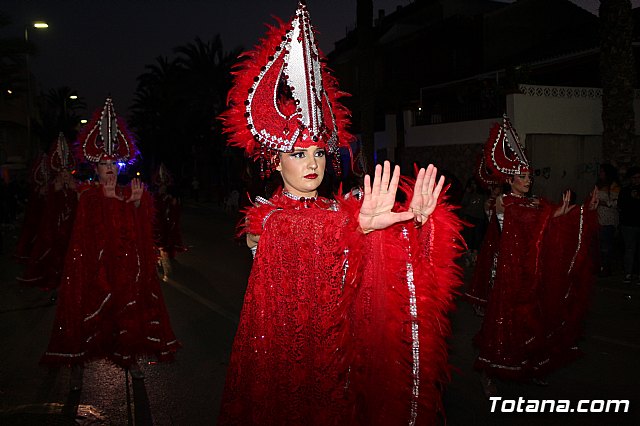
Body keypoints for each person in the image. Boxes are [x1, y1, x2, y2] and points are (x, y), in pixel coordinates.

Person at [217, 3, 464, 425]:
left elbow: (368, 258)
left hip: (339, 357)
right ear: (275, 162)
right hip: (293, 361)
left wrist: (414, 224)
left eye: (318, 152)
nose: (312, 163)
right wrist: (358, 225)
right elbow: (295, 234)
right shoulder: (268, 220)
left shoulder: (338, 208)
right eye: (298, 153)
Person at [41, 97, 180, 386]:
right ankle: (77, 365)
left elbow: (139, 235)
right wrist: (105, 201)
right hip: (94, 270)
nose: (110, 169)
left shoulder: (131, 192)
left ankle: (130, 361)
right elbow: (83, 231)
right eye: (104, 165)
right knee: (86, 316)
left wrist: (139, 207)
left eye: (114, 164)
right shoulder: (88, 195)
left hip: (124, 270)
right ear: (96, 168)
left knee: (126, 315)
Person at [471, 116, 598, 397]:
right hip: (510, 271)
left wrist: (579, 212)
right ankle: (487, 372)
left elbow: (548, 220)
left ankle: (531, 367)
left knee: (533, 321)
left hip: (533, 268)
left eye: (529, 177)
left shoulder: (536, 202)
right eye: (523, 177)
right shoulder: (504, 202)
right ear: (510, 180)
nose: (528, 181)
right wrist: (552, 215)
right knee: (503, 322)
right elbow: (530, 218)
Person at [17, 133, 78, 293]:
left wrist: (74, 191)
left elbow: (77, 205)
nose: (65, 173)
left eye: (67, 170)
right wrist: (54, 191)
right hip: (55, 227)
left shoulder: (74, 185)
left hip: (70, 227)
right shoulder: (53, 186)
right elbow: (48, 208)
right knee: (53, 254)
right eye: (62, 170)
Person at [151, 163, 186, 280]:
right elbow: (154, 210)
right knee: (158, 240)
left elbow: (175, 210)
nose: (163, 188)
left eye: (164, 186)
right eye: (161, 186)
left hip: (167, 223)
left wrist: (172, 204)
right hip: (158, 224)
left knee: (168, 238)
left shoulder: (170, 196)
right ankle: (157, 259)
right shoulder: (154, 197)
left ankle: (168, 255)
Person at [595, 163, 620, 276]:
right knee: (598, 245)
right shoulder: (598, 185)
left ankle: (606, 267)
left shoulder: (614, 186)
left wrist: (603, 203)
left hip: (608, 220)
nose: (600, 173)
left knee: (606, 245)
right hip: (598, 219)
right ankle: (600, 267)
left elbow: (616, 202)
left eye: (602, 171)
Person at [618, 166, 640, 284]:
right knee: (629, 249)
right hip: (628, 224)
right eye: (634, 178)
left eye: (638, 178)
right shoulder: (625, 190)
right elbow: (621, 206)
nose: (636, 180)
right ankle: (628, 273)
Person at [459, 177, 488, 266]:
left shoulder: (482, 194)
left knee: (477, 236)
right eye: (471, 183)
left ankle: (474, 256)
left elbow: (485, 205)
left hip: (479, 217)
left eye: (474, 184)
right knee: (469, 235)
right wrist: (467, 193)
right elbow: (463, 203)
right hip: (470, 216)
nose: (473, 186)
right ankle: (468, 255)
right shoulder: (469, 193)